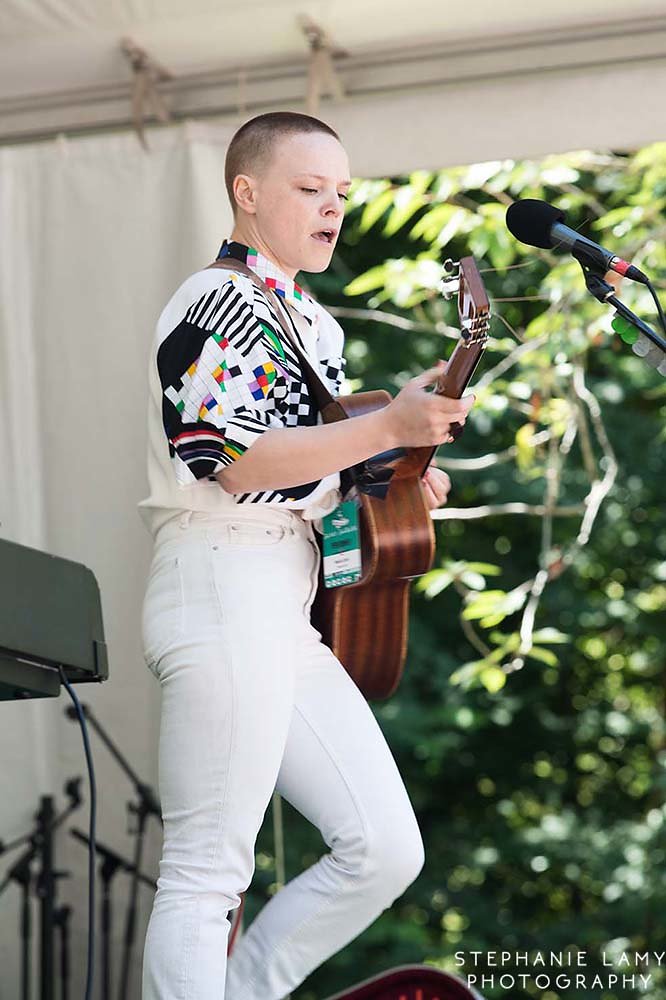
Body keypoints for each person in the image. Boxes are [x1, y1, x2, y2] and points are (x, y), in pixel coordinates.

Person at [138, 110, 475, 1000]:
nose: (332, 209)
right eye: (308, 188)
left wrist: (392, 475)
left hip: (278, 600)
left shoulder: (310, 322)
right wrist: (385, 427)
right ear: (246, 193)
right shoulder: (217, 299)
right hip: (218, 578)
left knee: (384, 848)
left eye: (342, 194)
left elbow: (316, 474)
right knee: (208, 871)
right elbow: (226, 459)